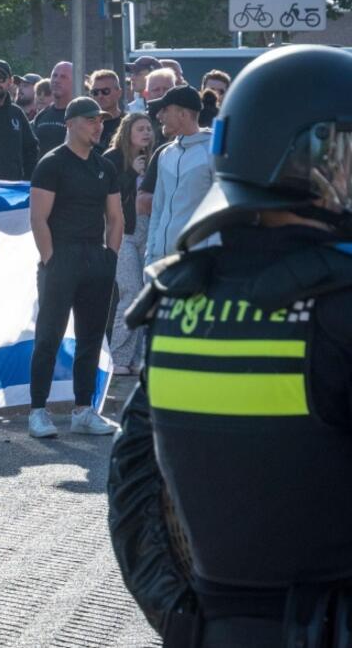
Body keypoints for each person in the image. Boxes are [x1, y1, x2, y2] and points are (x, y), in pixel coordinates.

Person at [108, 44, 352, 648]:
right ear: (315, 156)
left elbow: (133, 489)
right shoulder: (339, 305)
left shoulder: (176, 301)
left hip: (214, 626)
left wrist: (183, 615)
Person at [28, 97, 124, 439]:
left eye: (100, 120)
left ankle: (84, 409)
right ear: (70, 123)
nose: (98, 125)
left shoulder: (105, 166)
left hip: (96, 260)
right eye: (89, 120)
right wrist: (51, 259)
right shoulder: (52, 164)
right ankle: (37, 410)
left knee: (91, 339)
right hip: (62, 259)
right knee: (49, 336)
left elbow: (115, 217)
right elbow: (38, 217)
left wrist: (110, 257)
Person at [103, 113, 153, 375]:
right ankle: (118, 357)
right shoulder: (111, 160)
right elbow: (106, 196)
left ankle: (137, 358)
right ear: (126, 132)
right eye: (140, 129)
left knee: (147, 296)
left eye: (148, 128)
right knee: (131, 292)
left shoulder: (156, 158)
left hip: (150, 233)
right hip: (122, 233)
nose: (146, 133)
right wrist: (131, 172)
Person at [146, 85, 214, 266]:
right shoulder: (165, 154)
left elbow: (220, 212)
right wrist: (150, 257)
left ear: (183, 114)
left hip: (197, 263)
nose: (159, 116)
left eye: (165, 110)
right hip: (162, 263)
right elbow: (158, 210)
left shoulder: (214, 152)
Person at [32, 61, 75, 155]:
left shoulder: (80, 115)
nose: (56, 80)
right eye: (54, 76)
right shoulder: (42, 115)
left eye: (63, 77)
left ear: (75, 81)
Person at [89, 69, 124, 154]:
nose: (100, 96)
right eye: (95, 92)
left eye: (105, 91)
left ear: (119, 93)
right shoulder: (87, 124)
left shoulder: (128, 123)